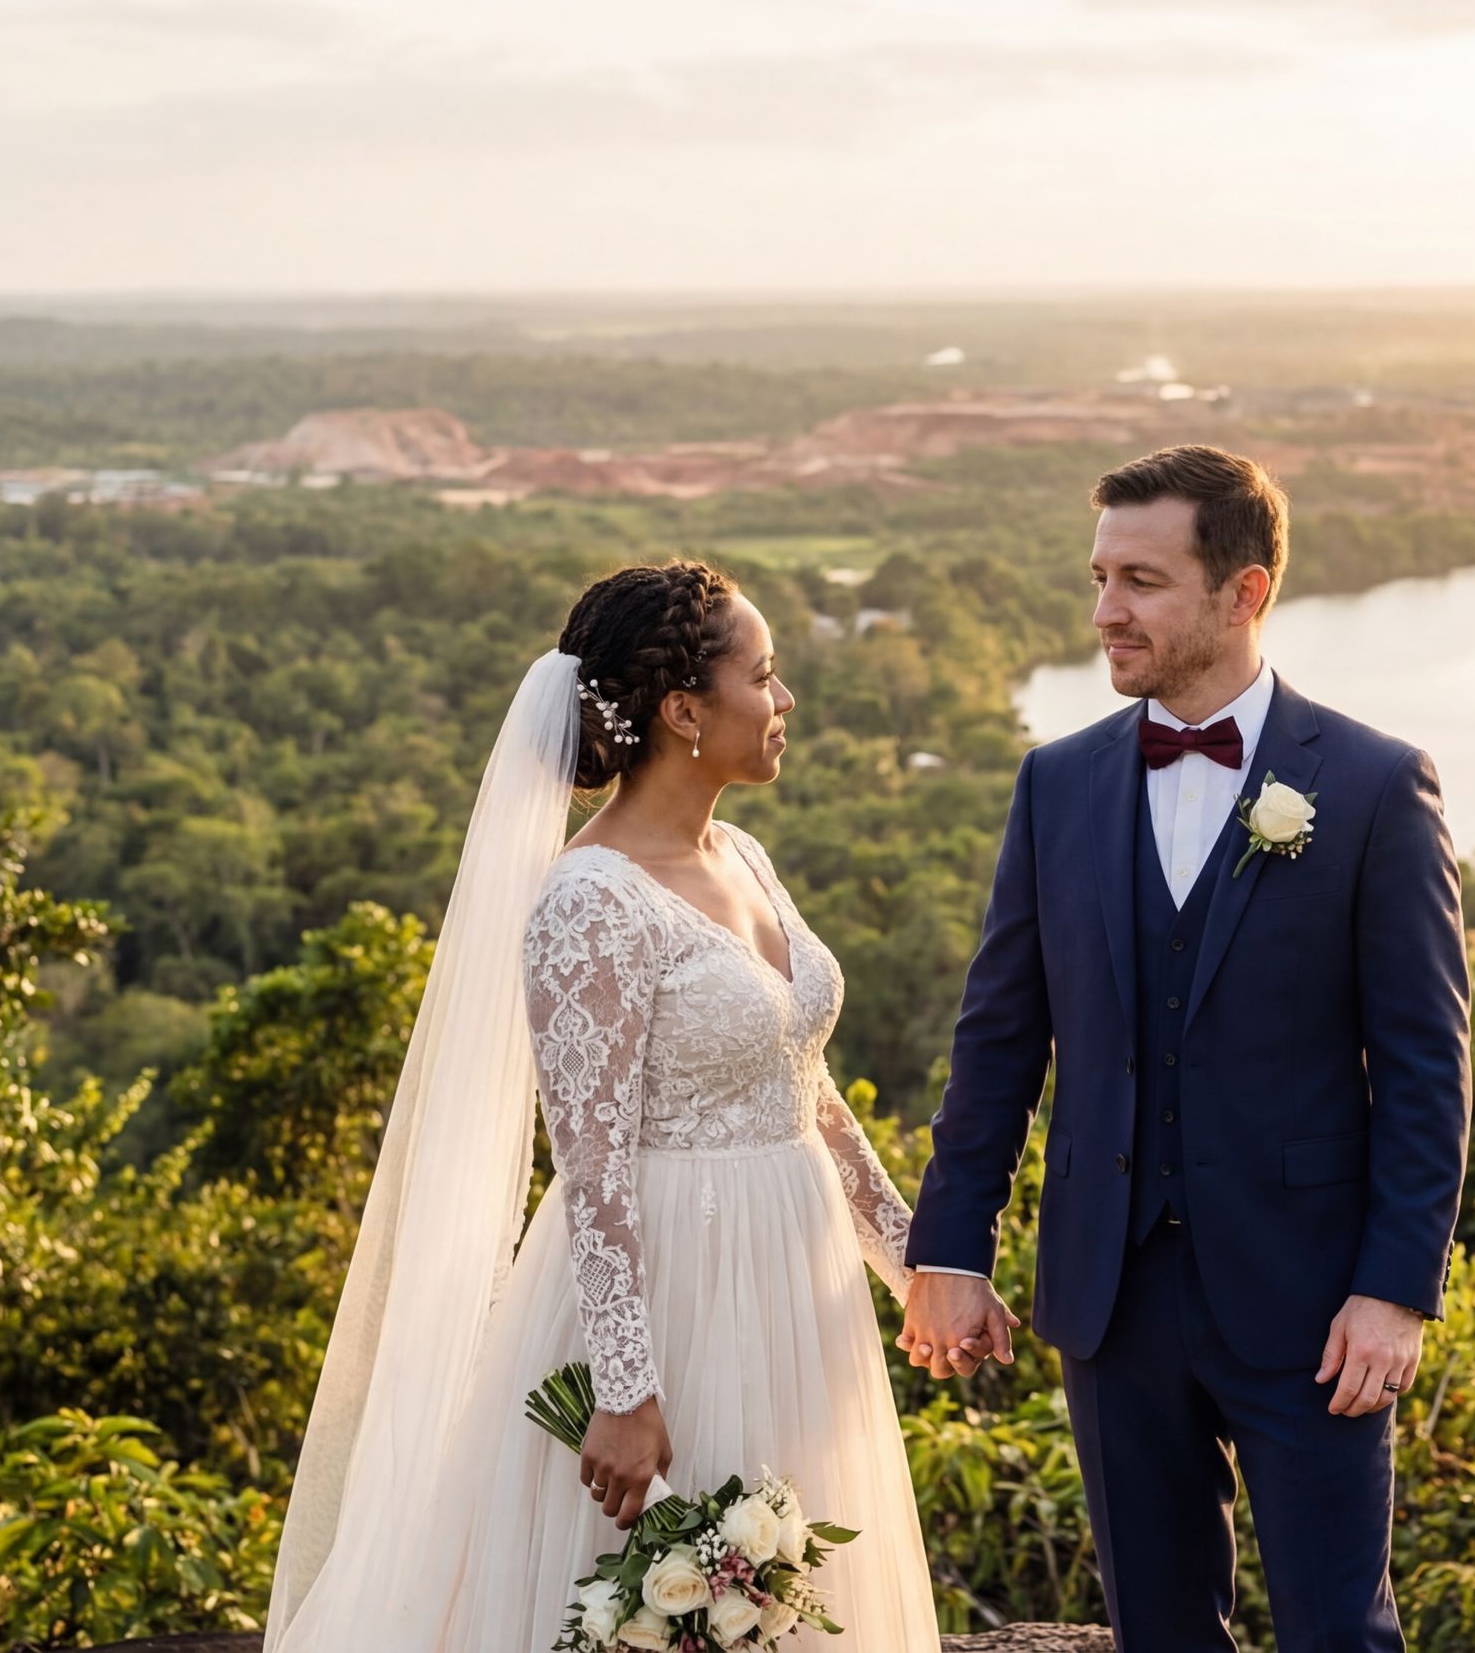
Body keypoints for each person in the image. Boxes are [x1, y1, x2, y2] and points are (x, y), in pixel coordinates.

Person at [262, 561, 959, 1653]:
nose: (785, 703)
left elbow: (803, 1086)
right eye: (765, 677)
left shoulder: (746, 854)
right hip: (673, 1292)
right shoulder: (588, 900)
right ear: (684, 710)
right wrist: (629, 1389)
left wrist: (910, 1261)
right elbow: (588, 1164)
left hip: (795, 1276)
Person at [900, 446, 1474, 1652]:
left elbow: (1427, 1068)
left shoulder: (1372, 787)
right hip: (1110, 1300)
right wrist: (950, 1246)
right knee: (1158, 1635)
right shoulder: (1056, 785)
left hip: (1314, 1306)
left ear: (1244, 592)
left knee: (1338, 1637)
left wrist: (1394, 1293)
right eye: (1100, 576)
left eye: (1143, 582)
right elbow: (998, 1039)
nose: (1106, 611)